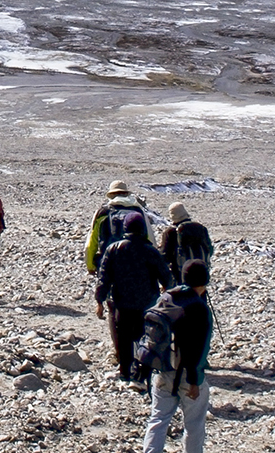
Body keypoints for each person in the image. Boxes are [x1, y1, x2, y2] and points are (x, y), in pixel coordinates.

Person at [142, 260, 215, 453]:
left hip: (162, 369)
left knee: (158, 419)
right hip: (187, 376)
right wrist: (194, 380)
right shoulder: (199, 308)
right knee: (194, 424)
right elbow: (199, 348)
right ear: (204, 281)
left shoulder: (166, 298)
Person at [97, 213, 168, 384]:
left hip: (122, 302)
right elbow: (166, 276)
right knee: (145, 337)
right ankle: (143, 372)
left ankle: (124, 372)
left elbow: (104, 278)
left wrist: (99, 301)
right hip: (148, 302)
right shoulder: (150, 250)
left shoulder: (113, 249)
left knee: (124, 337)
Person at [84, 181, 157, 276]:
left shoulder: (103, 212)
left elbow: (91, 242)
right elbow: (150, 238)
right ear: (126, 194)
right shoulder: (138, 211)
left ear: (110, 195)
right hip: (136, 263)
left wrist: (90, 266)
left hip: (108, 263)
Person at [158, 202, 214, 281]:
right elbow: (210, 250)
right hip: (201, 275)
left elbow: (165, 256)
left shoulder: (170, 232)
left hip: (181, 276)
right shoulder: (200, 228)